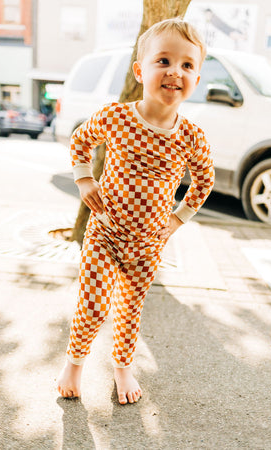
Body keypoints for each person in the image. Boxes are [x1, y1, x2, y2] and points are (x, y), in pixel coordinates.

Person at [57, 18, 215, 405]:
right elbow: (80, 140)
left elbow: (204, 182)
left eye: (187, 65)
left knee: (130, 310)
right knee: (93, 306)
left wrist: (177, 220)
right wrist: (84, 179)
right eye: (163, 60)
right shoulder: (117, 118)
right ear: (139, 70)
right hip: (106, 232)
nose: (175, 71)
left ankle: (123, 365)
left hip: (147, 245)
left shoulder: (190, 136)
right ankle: (75, 362)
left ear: (196, 77)